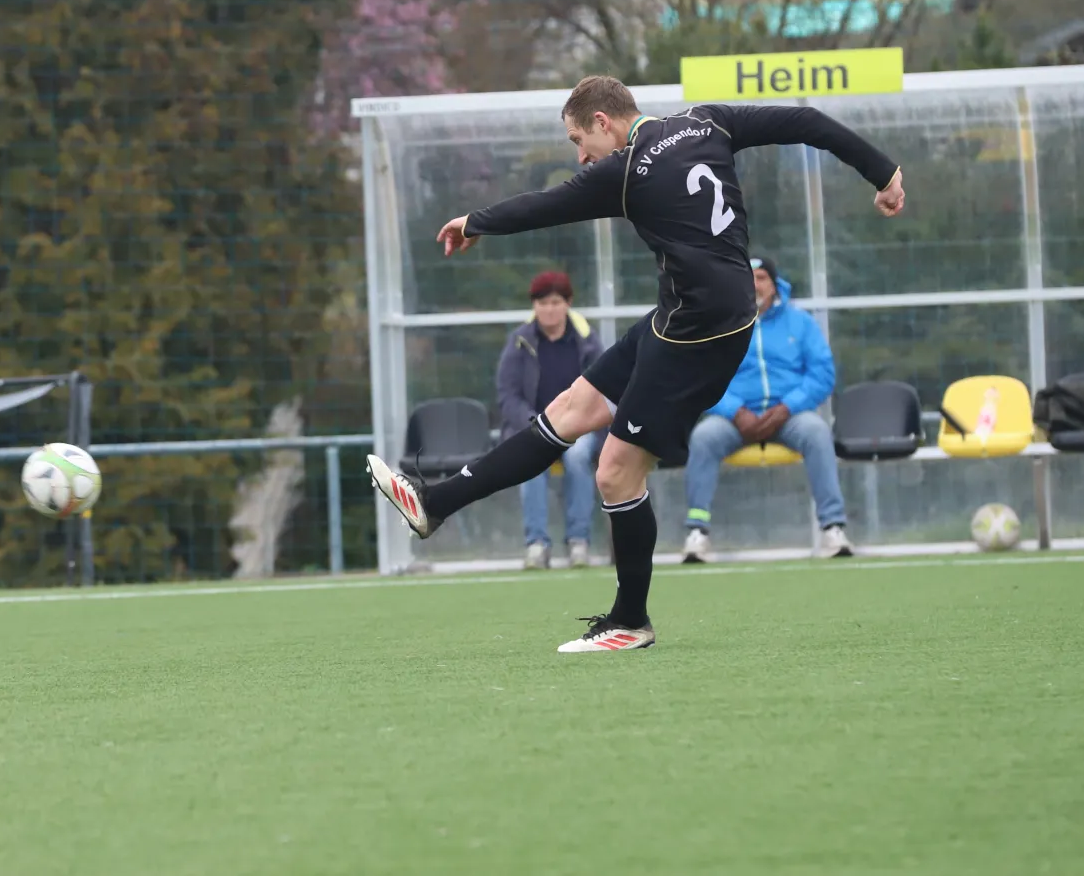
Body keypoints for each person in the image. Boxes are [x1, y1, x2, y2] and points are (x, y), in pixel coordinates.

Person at [369, 75, 903, 652]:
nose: (581, 156)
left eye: (579, 140)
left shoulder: (626, 170)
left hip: (700, 335)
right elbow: (806, 122)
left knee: (615, 471)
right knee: (569, 411)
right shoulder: (708, 121)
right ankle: (434, 504)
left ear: (603, 122)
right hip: (682, 319)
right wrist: (885, 173)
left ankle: (630, 621)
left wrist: (475, 221)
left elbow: (546, 205)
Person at [680, 255, 852, 562]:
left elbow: (822, 374)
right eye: (746, 277)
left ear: (774, 285)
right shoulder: (717, 325)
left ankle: (833, 528)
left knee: (817, 432)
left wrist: (787, 407)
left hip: (789, 416)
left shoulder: (800, 323)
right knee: (703, 437)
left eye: (760, 278)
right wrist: (735, 411)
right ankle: (697, 532)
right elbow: (701, 377)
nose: (753, 284)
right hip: (735, 420)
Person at [497, 270, 604, 569]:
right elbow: (508, 396)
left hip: (578, 427)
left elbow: (603, 389)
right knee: (530, 459)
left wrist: (575, 423)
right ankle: (537, 544)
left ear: (568, 303)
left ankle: (578, 542)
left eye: (556, 302)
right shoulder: (518, 342)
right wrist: (535, 424)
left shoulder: (588, 341)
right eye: (542, 303)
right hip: (533, 427)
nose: (549, 309)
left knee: (579, 456)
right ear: (534, 306)